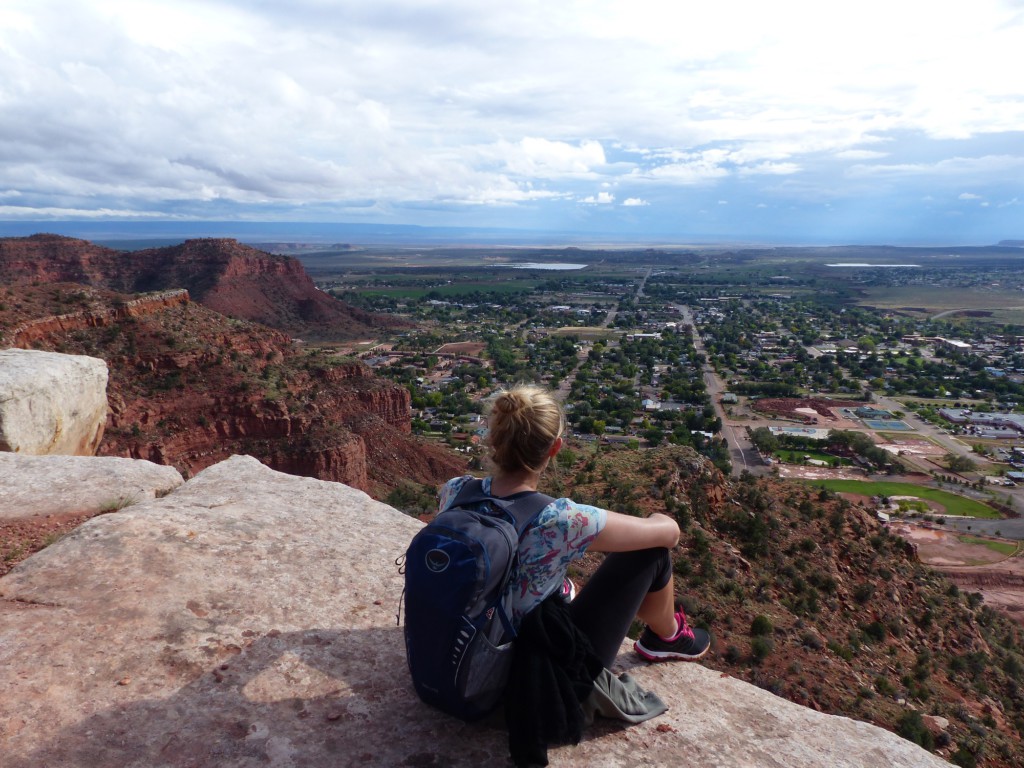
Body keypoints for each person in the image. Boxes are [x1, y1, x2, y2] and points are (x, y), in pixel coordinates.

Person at [438, 383, 710, 673]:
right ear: (555, 448)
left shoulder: (456, 491)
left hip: (458, 655)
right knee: (650, 553)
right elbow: (669, 534)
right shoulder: (559, 518)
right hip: (528, 678)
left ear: (492, 440)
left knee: (561, 588)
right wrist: (659, 515)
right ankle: (669, 637)